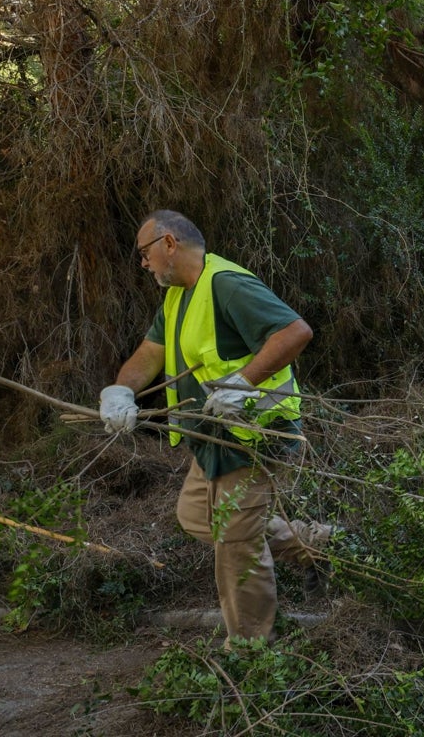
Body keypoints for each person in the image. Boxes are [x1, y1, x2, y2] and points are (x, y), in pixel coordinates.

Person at [98, 210, 331, 645]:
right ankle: (315, 545)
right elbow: (151, 352)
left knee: (235, 546)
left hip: (255, 435)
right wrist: (119, 391)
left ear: (168, 243)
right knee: (196, 517)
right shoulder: (176, 296)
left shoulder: (226, 284)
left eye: (144, 252)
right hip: (211, 439)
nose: (143, 263)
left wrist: (245, 384)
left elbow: (295, 332)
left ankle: (248, 651)